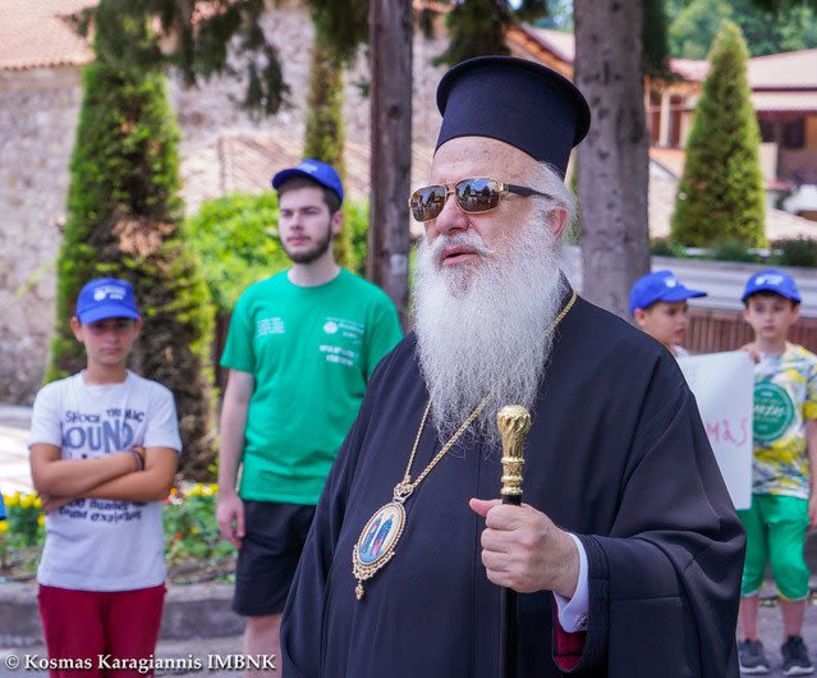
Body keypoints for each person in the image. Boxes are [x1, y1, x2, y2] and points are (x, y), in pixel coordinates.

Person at [282, 56, 744, 678]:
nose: (447, 219)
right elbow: (322, 562)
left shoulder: (635, 376)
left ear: (551, 221)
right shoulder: (399, 369)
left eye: (479, 195)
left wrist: (574, 567)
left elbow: (699, 569)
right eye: (431, 200)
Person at [216, 159, 403, 669]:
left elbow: (389, 409)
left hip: (342, 495)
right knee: (263, 623)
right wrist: (227, 490)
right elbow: (236, 399)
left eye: (309, 212)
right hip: (266, 491)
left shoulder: (371, 307)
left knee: (342, 617)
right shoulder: (256, 302)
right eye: (286, 213)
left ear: (335, 221)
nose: (295, 223)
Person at [28, 277, 181, 676]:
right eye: (99, 326)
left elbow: (157, 484)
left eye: (120, 325)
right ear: (78, 328)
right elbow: (45, 479)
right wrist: (132, 459)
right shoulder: (55, 397)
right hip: (69, 576)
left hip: (137, 576)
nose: (110, 337)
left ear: (136, 328)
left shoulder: (155, 398)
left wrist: (70, 484)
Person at [735, 269, 817, 676]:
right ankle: (748, 640)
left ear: (794, 313)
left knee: (791, 565)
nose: (768, 316)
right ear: (747, 314)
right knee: (747, 564)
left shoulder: (807, 367)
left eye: (778, 308)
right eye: (760, 308)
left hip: (790, 484)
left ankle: (793, 641)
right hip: (743, 486)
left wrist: (816, 489)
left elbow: (813, 430)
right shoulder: (736, 364)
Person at [629, 270, 707, 357]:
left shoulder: (682, 355)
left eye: (684, 310)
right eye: (671, 312)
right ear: (641, 317)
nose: (682, 320)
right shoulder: (631, 360)